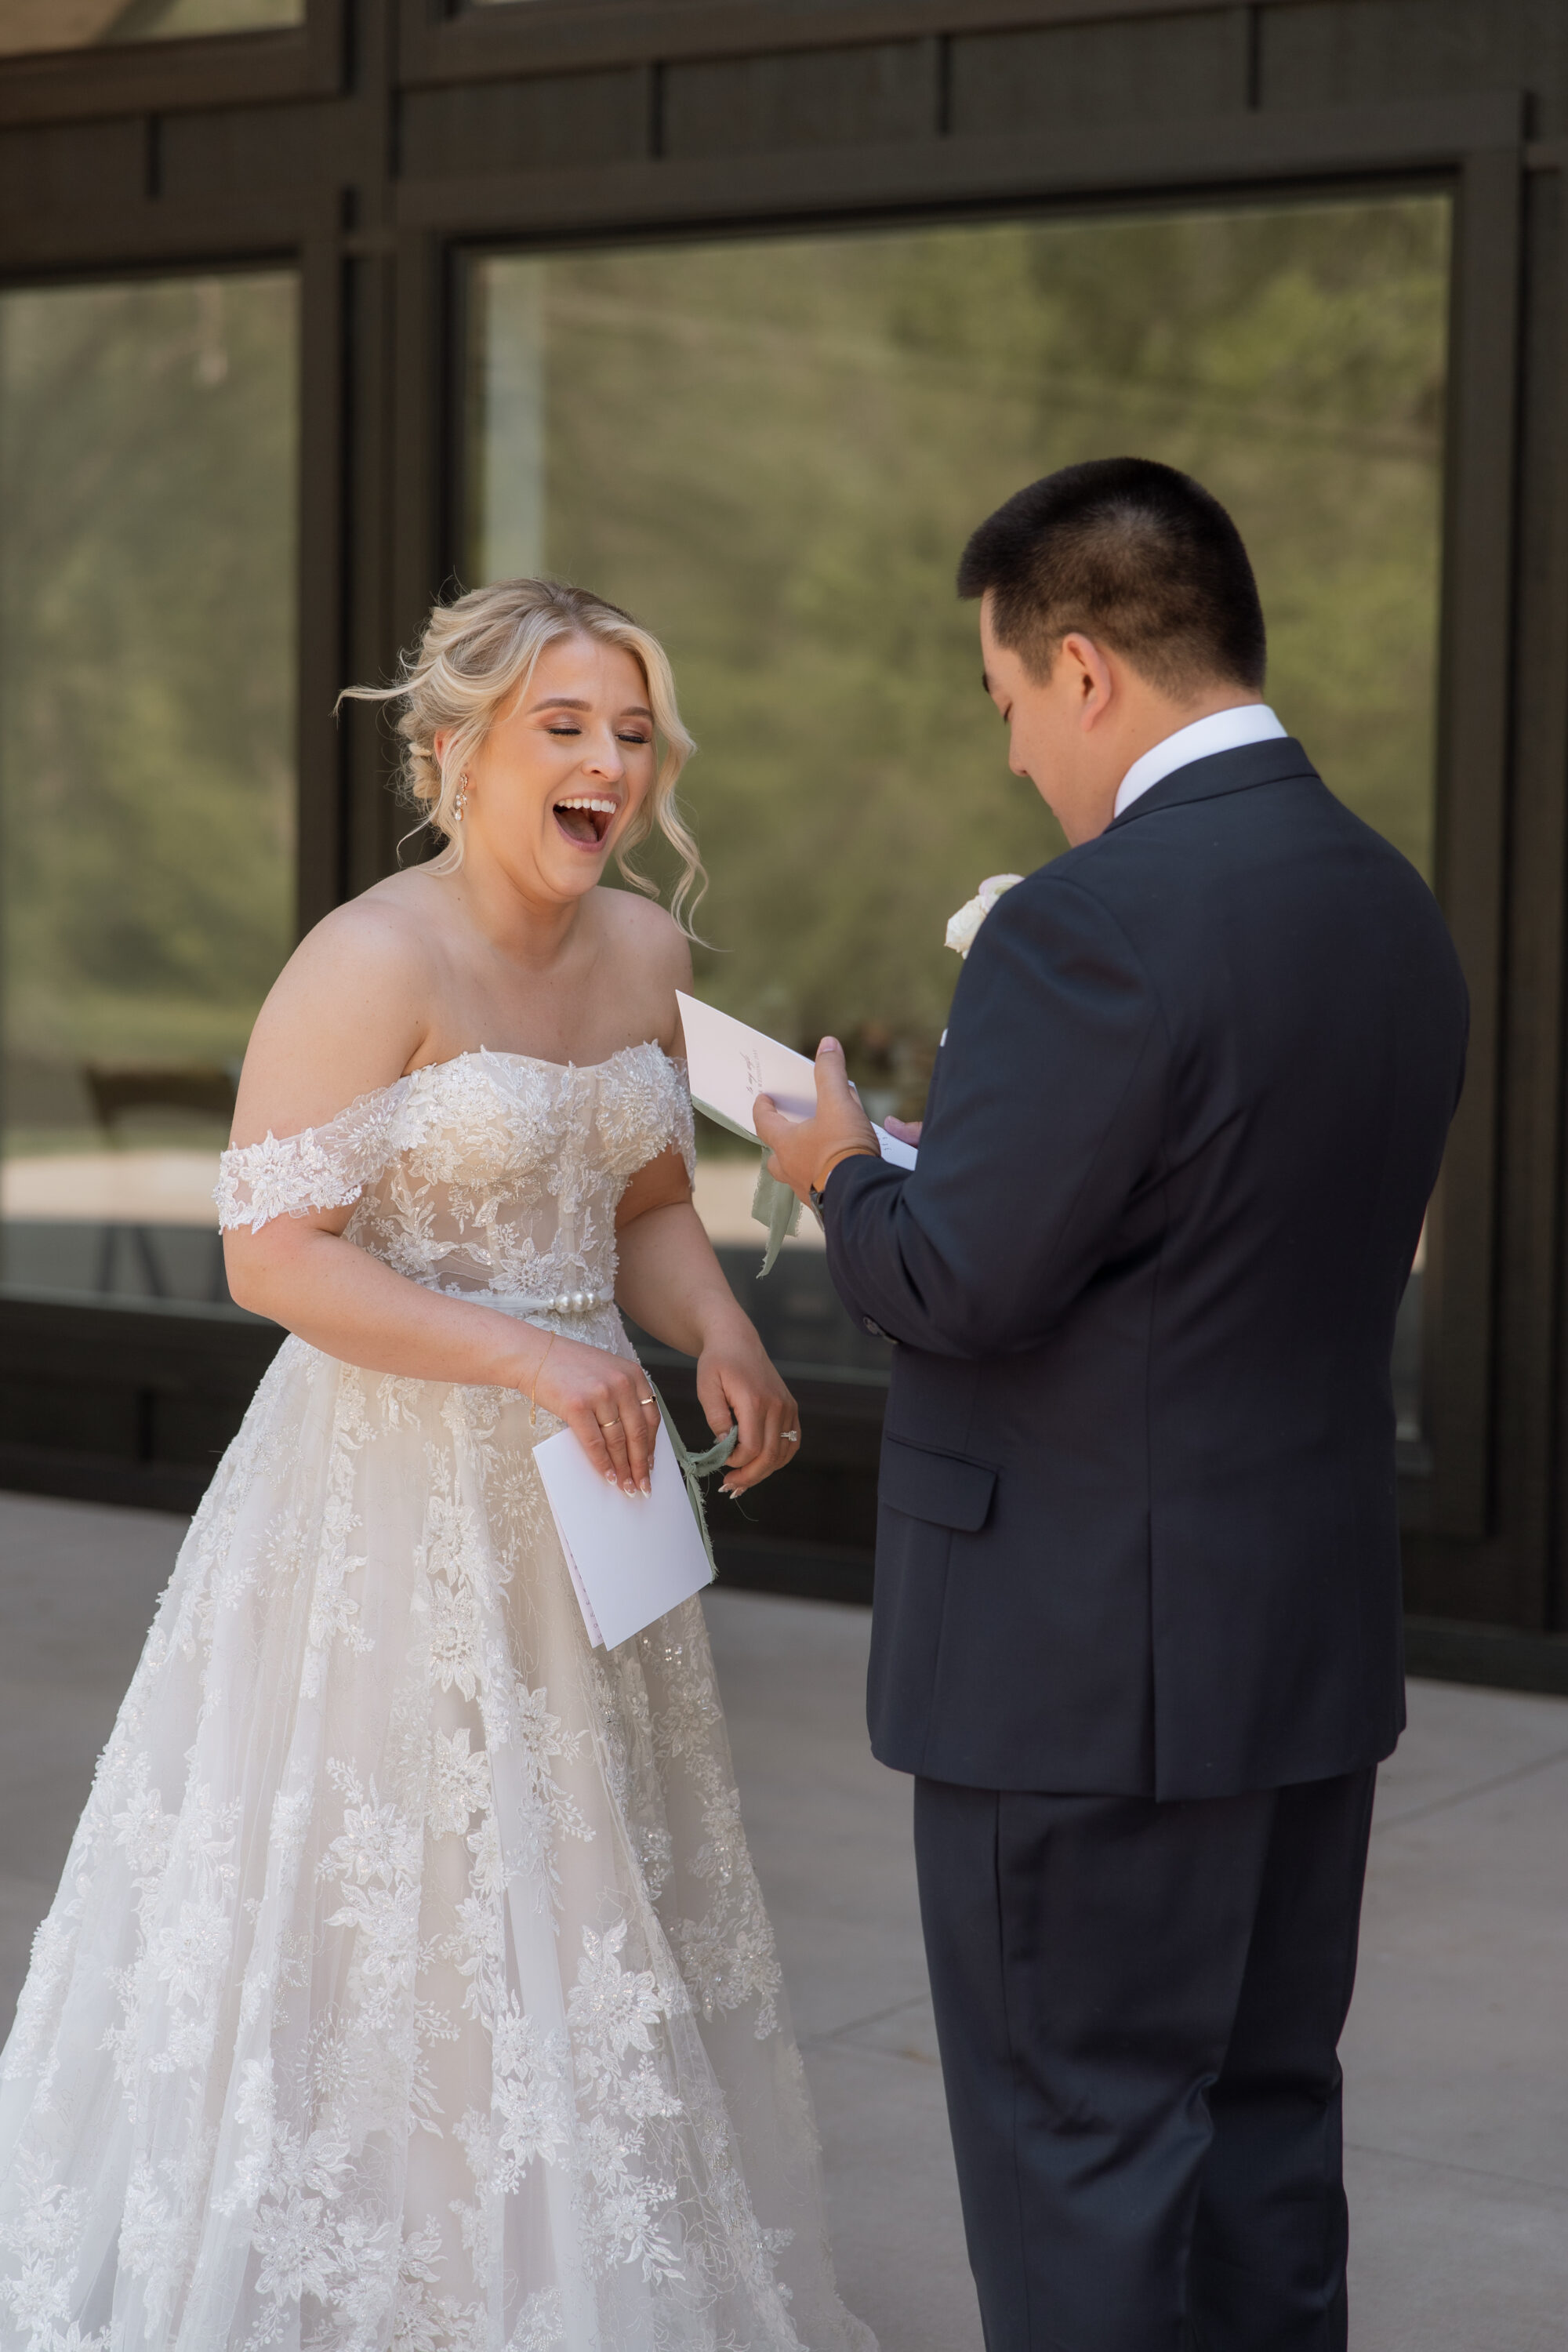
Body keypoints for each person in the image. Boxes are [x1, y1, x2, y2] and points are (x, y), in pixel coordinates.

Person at [0, 579, 875, 2352]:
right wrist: (532, 1353)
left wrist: (714, 1326)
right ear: (453, 751)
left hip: (588, 1504)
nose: (608, 766)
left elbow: (636, 1201)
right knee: (382, 1885)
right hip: (382, 1493)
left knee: (572, 1883)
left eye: (631, 735)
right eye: (565, 729)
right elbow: (274, 1255)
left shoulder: (645, 954)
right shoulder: (366, 961)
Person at [756, 458, 1468, 2351]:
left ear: (1082, 670)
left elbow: (952, 1282)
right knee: (1259, 2129)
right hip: (1297, 1642)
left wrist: (844, 1168)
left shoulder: (1088, 924)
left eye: (1002, 703)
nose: (1011, 761)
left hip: (1080, 1668)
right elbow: (1211, 1231)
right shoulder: (1386, 900)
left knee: (1076, 2147)